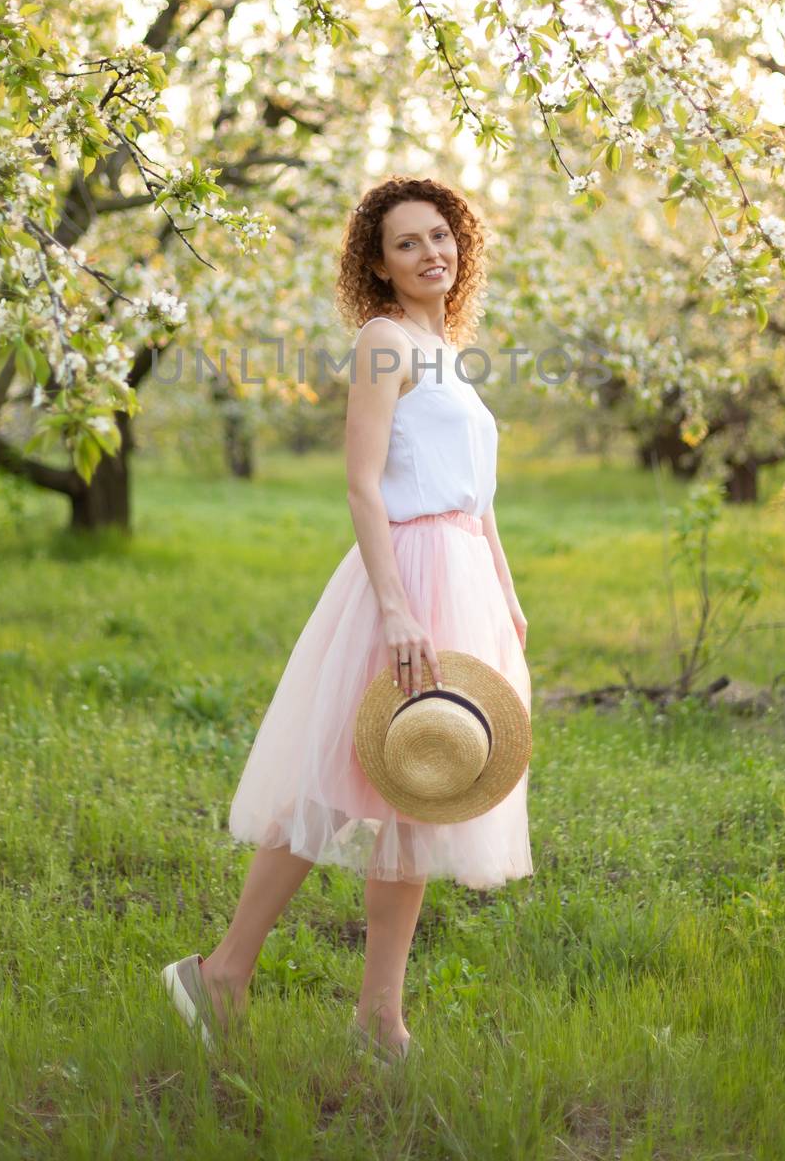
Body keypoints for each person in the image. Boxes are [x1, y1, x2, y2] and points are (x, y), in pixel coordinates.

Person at [162, 176, 532, 1063]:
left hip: (466, 579)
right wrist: (398, 607)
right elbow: (363, 483)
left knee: (420, 796)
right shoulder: (383, 341)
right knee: (336, 783)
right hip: (404, 580)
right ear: (378, 263)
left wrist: (508, 593)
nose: (428, 253)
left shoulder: (451, 354)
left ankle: (378, 1018)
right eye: (405, 243)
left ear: (462, 245)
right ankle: (218, 973)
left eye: (439, 236)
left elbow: (476, 503)